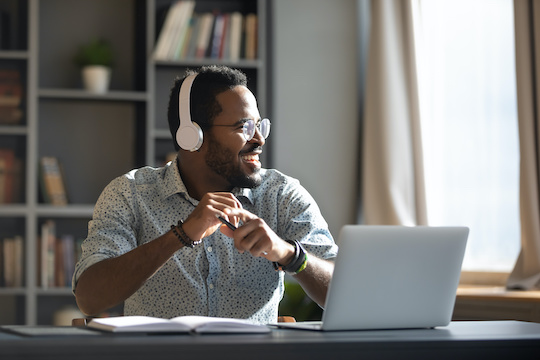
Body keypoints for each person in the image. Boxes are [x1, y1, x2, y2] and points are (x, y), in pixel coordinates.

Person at [72, 65, 338, 324]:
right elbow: (89, 298)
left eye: (260, 125)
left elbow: (345, 289)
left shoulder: (281, 195)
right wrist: (181, 235)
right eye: (244, 127)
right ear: (193, 136)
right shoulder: (131, 193)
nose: (259, 139)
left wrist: (289, 254)